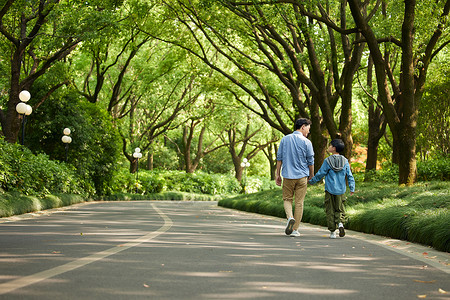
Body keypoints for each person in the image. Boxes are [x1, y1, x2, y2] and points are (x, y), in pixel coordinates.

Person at [308, 139, 355, 239]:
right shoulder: (345, 161)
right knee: (340, 208)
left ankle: (332, 232)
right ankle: (340, 224)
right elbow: (349, 176)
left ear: (333, 148)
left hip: (329, 189)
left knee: (330, 210)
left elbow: (321, 173)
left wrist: (312, 181)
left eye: (330, 145)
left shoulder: (327, 161)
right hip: (341, 190)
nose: (328, 147)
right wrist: (352, 187)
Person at [276, 118, 314, 237]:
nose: (308, 131)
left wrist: (278, 174)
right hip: (302, 176)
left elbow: (279, 158)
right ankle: (295, 229)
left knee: (287, 199)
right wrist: (311, 175)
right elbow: (310, 161)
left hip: (288, 176)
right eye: (308, 128)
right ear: (303, 126)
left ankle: (290, 217)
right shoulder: (307, 142)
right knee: (299, 203)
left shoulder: (285, 139)